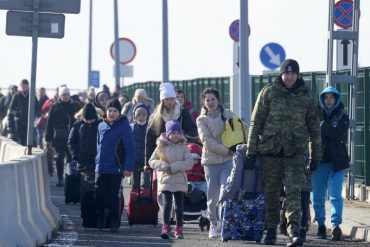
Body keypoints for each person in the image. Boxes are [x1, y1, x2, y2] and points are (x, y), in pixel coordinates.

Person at [246, 59, 322, 246]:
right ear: (281, 74)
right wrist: (251, 151)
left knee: (294, 192)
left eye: (293, 73)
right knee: (271, 193)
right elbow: (256, 123)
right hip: (271, 152)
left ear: (297, 75)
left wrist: (315, 155)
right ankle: (271, 230)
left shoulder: (307, 95)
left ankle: (294, 231)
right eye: (286, 73)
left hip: (295, 152)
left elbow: (314, 127)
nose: (289, 77)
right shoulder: (269, 92)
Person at [196, 87, 235, 239]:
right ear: (204, 103)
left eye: (213, 99)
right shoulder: (201, 119)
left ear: (218, 100)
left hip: (228, 161)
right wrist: (227, 150)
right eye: (208, 100)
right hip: (211, 162)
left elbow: (240, 130)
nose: (211, 102)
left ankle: (226, 223)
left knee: (226, 191)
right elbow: (207, 142)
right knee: (212, 196)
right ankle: (213, 223)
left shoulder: (228, 114)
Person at [311, 86, 349, 241]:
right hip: (318, 163)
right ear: (322, 99)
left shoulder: (343, 116)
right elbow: (311, 134)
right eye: (325, 97)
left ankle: (335, 225)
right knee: (318, 197)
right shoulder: (314, 116)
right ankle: (321, 224)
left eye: (332, 97)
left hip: (336, 164)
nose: (328, 100)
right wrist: (325, 127)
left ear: (336, 99)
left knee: (335, 196)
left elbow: (337, 133)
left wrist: (322, 126)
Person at [95, 98, 135, 233]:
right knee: (99, 195)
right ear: (106, 112)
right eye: (109, 110)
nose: (111, 113)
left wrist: (128, 167)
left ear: (119, 113)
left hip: (116, 168)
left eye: (115, 111)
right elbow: (98, 146)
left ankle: (114, 221)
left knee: (113, 196)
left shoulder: (124, 127)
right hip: (100, 167)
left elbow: (130, 148)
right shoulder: (101, 126)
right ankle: (101, 215)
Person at [148, 119, 193, 239]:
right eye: (173, 132)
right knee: (167, 204)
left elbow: (189, 162)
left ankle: (179, 228)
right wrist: (162, 165)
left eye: (178, 132)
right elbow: (152, 161)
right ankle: (165, 227)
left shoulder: (184, 147)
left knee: (179, 206)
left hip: (179, 179)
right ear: (167, 133)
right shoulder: (160, 147)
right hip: (165, 180)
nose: (176, 135)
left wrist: (175, 166)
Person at [145, 82, 198, 170]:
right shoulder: (156, 116)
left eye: (172, 99)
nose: (169, 102)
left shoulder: (182, 112)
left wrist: (182, 136)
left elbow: (192, 130)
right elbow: (150, 139)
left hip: (179, 154)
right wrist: (147, 162)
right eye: (167, 99)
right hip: (162, 156)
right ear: (162, 100)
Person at [45, 86, 80, 186]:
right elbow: (49, 123)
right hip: (58, 138)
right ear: (60, 95)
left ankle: (69, 178)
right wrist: (48, 139)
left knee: (70, 159)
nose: (66, 96)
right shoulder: (55, 106)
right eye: (63, 95)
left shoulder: (75, 106)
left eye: (67, 94)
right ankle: (60, 179)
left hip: (72, 137)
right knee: (59, 158)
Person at [67, 103, 100, 175]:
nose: (88, 121)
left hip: (96, 161)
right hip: (81, 161)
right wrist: (75, 156)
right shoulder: (77, 125)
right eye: (86, 119)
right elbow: (71, 142)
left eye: (91, 119)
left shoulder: (100, 125)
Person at [7, 79, 39, 146]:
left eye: (26, 87)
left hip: (29, 123)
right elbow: (10, 110)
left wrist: (34, 117)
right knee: (20, 140)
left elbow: (37, 109)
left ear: (28, 86)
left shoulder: (32, 96)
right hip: (18, 123)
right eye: (23, 87)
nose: (24, 88)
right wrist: (10, 124)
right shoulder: (16, 96)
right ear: (20, 87)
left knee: (30, 140)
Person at [130, 103, 150, 189]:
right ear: (134, 116)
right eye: (138, 115)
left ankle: (146, 200)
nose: (141, 117)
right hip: (134, 158)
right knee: (135, 183)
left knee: (146, 183)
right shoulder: (131, 127)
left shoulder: (150, 127)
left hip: (147, 159)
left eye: (143, 115)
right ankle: (135, 199)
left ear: (147, 116)